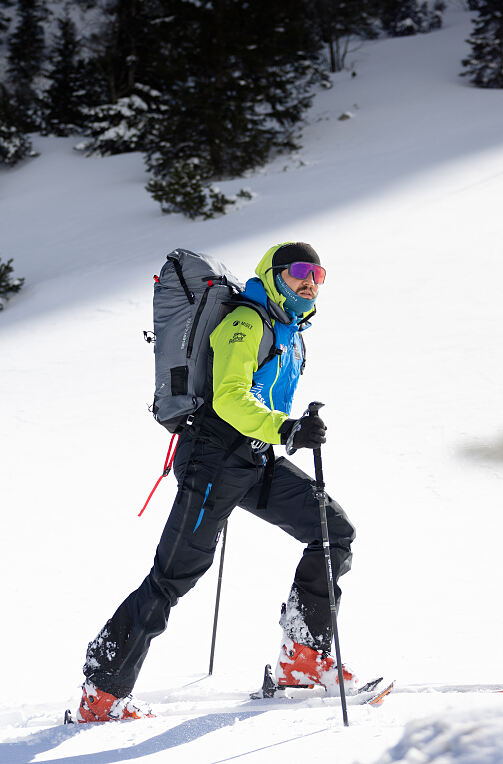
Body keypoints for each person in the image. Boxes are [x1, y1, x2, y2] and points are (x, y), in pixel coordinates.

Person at [76, 242, 359, 722]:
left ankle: (304, 659)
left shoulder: (289, 332)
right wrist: (287, 429)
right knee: (173, 577)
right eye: (298, 271)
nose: (310, 280)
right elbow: (228, 399)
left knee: (332, 530)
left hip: (253, 458)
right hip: (211, 458)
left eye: (318, 273)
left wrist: (283, 431)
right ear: (273, 275)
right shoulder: (245, 324)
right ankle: (101, 693)